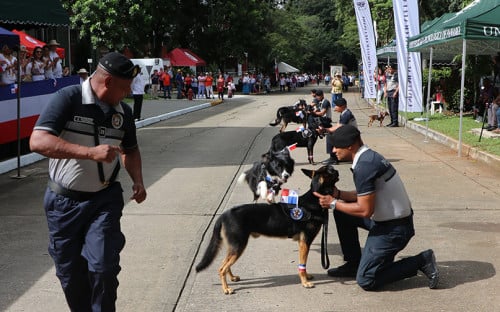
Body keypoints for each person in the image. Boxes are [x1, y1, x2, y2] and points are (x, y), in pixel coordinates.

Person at [29, 51, 147, 311]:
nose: (128, 92)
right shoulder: (68, 99)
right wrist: (89, 153)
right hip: (63, 204)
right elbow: (38, 141)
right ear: (108, 82)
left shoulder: (123, 113)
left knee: (103, 268)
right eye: (125, 87)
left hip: (103, 200)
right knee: (71, 275)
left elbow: (131, 149)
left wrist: (137, 180)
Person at [314, 124, 439, 291]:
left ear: (350, 146)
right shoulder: (368, 157)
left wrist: (333, 203)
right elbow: (366, 195)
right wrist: (339, 194)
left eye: (337, 146)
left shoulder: (364, 166)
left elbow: (365, 210)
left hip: (394, 229)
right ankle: (353, 263)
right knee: (343, 214)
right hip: (391, 221)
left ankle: (421, 260)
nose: (334, 150)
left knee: (366, 279)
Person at [310, 89, 335, 165]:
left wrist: (313, 112)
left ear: (322, 95)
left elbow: (322, 113)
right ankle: (316, 130)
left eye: (318, 96)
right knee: (310, 117)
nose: (317, 98)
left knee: (313, 117)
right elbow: (316, 108)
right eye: (316, 97)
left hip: (326, 120)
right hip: (322, 119)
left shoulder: (325, 102)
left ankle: (319, 130)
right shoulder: (319, 101)